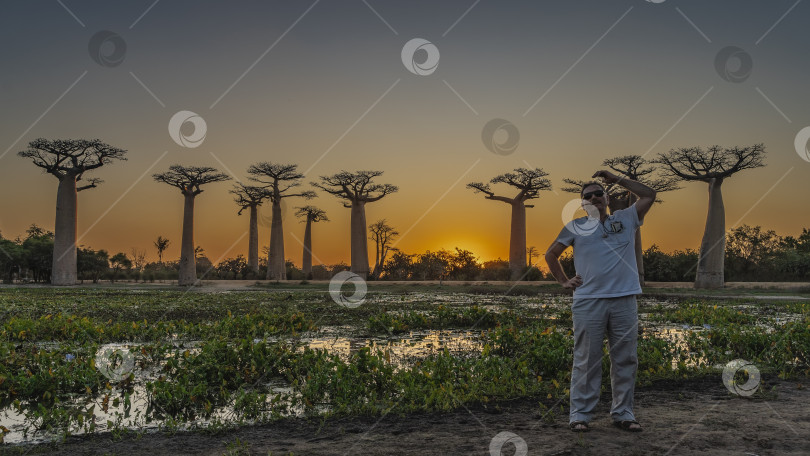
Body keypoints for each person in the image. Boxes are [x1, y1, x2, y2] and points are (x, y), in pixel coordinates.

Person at [544, 170, 656, 433]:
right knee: (586, 358)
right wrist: (564, 281)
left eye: (598, 193)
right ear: (582, 204)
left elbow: (649, 194)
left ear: (607, 197)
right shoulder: (575, 227)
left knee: (626, 358)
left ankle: (623, 413)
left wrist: (615, 178)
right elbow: (551, 254)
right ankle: (580, 415)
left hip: (624, 299)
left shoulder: (627, 217)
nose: (593, 198)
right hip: (588, 301)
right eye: (587, 196)